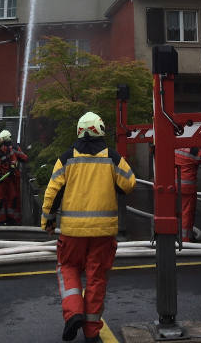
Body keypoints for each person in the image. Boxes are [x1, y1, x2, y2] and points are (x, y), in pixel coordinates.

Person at [41, 111, 136, 343]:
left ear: (79, 132)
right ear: (101, 130)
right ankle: (92, 331)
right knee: (96, 278)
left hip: (73, 232)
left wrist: (48, 220)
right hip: (103, 233)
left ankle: (73, 313)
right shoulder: (112, 157)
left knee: (67, 268)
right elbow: (129, 184)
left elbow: (52, 192)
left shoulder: (66, 158)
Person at [173, 146, 201, 242]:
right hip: (187, 189)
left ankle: (174, 237)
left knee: (175, 213)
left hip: (173, 187)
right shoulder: (193, 151)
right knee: (187, 214)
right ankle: (185, 240)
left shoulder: (174, 147)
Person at [0, 129, 29, 225]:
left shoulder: (0, 149)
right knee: (14, 198)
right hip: (13, 177)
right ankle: (14, 219)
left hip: (2, 179)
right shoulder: (13, 148)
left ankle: (1, 220)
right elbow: (25, 158)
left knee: (1, 199)